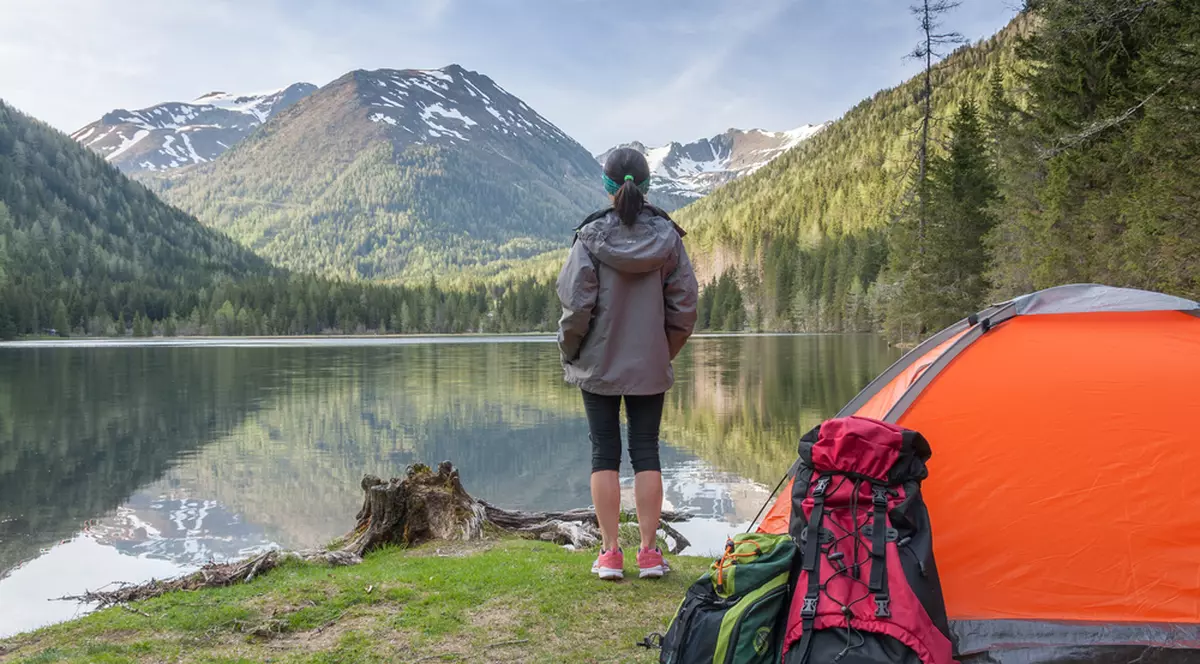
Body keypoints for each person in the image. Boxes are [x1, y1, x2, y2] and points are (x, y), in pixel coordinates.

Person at [555, 147, 699, 581]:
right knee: (647, 451)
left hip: (597, 364)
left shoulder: (591, 237)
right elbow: (685, 307)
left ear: (607, 185)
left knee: (604, 453)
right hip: (649, 364)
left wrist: (570, 348)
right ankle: (651, 554)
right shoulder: (668, 239)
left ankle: (610, 554)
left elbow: (575, 305)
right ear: (646, 184)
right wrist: (663, 349)